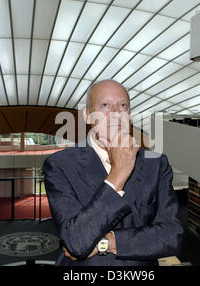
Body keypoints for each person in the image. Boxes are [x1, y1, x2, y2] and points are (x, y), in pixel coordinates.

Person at [42, 79, 184, 266]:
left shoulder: (156, 164)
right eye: (105, 105)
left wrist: (107, 242)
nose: (116, 113)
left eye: (123, 105)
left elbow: (171, 235)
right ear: (87, 115)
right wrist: (118, 173)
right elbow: (76, 242)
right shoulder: (60, 165)